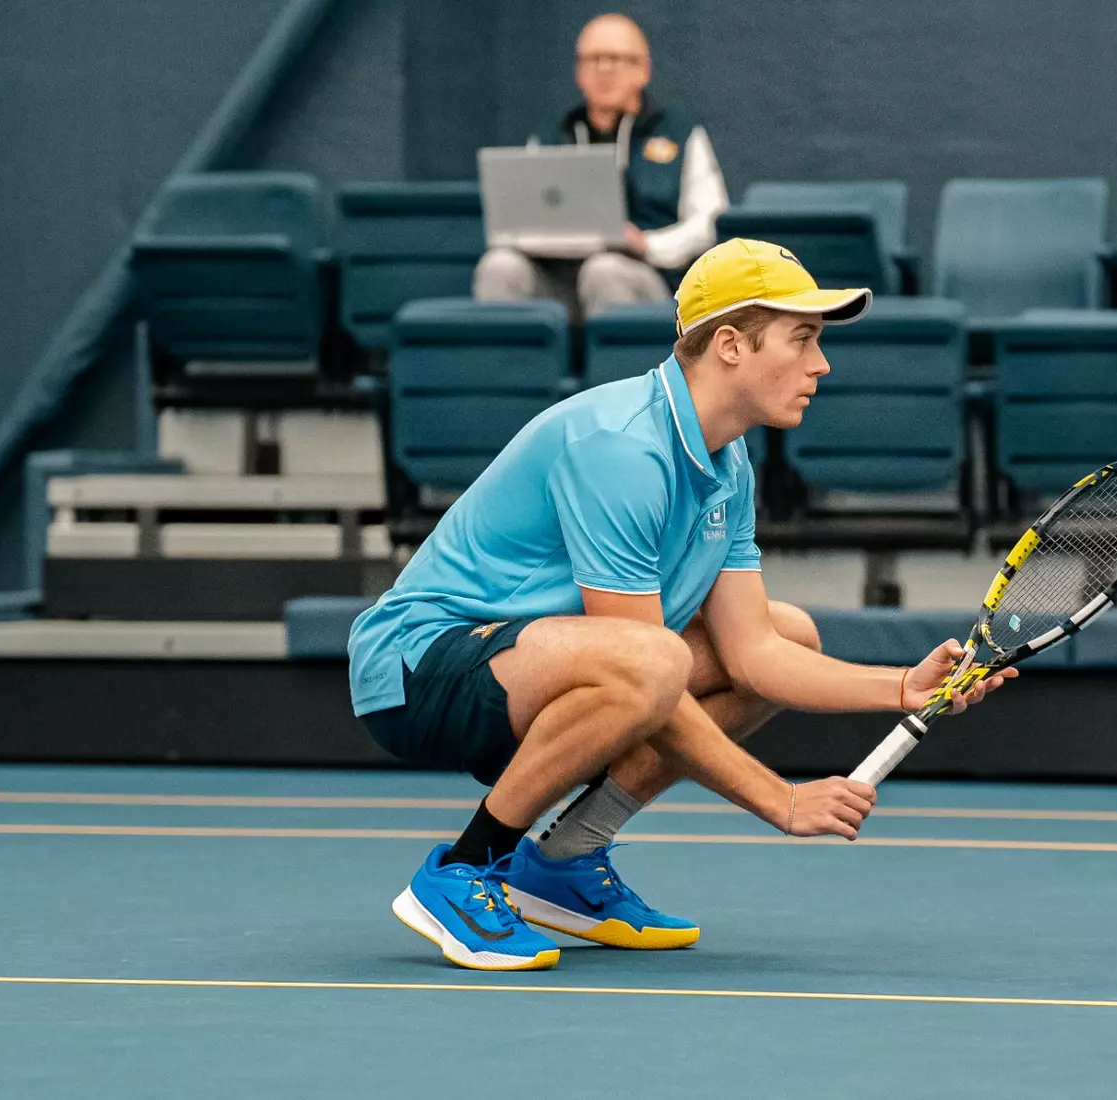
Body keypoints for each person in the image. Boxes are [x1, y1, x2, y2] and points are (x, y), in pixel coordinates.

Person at [349, 239, 1014, 970]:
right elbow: (648, 674)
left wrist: (899, 687)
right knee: (653, 659)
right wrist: (778, 801)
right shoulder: (621, 447)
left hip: (529, 663)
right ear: (730, 345)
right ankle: (462, 869)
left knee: (787, 630)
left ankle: (564, 860)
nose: (819, 365)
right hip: (418, 668)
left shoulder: (726, 462)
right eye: (802, 340)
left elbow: (755, 655)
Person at [472, 13, 727, 320]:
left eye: (617, 59)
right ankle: (510, 367)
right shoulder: (553, 136)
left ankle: (618, 368)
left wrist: (646, 244)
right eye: (592, 60)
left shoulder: (680, 133)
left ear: (643, 70)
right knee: (499, 266)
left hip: (644, 276)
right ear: (578, 72)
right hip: (559, 277)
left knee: (604, 271)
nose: (604, 69)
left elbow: (710, 222)